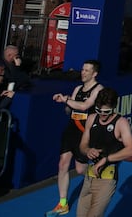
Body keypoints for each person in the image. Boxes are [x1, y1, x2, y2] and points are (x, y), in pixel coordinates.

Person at [47, 60, 104, 216]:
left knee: (80, 169)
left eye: (87, 70)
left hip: (85, 133)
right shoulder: (78, 88)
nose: (83, 72)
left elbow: (85, 106)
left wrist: (67, 100)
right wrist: (65, 103)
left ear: (95, 73)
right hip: (71, 130)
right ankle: (63, 203)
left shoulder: (98, 89)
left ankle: (96, 179)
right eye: (83, 69)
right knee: (63, 164)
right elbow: (70, 109)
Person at [77, 87, 132, 217]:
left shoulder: (121, 123)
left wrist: (106, 159)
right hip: (89, 176)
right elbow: (82, 144)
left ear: (114, 107)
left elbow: (131, 149)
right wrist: (88, 150)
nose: (102, 115)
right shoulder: (92, 119)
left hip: (107, 179)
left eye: (106, 112)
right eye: (99, 110)